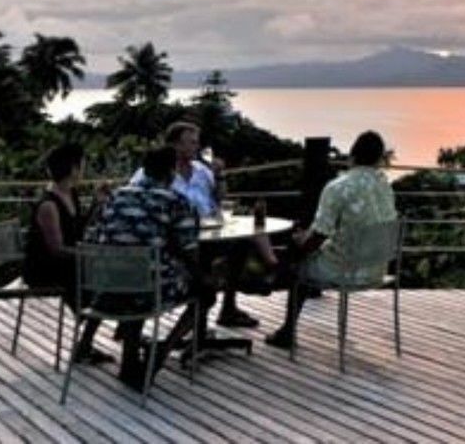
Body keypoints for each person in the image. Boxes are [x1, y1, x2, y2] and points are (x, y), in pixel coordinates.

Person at [84, 147, 210, 388]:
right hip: (146, 291)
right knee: (205, 293)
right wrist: (202, 275)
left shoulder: (116, 196)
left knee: (136, 275)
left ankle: (129, 363)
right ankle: (163, 351)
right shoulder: (174, 201)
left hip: (102, 288)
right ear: (172, 172)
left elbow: (95, 235)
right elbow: (190, 251)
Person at [130, 119, 275, 328]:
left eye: (196, 142)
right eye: (190, 143)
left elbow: (218, 200)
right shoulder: (153, 172)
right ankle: (202, 312)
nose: (196, 147)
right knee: (202, 274)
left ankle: (229, 307)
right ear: (174, 145)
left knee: (242, 242)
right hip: (176, 240)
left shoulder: (201, 170)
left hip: (208, 231)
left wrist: (220, 176)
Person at [266, 130, 397, 350]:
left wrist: (300, 241)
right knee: (305, 253)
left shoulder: (338, 187)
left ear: (352, 155)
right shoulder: (385, 186)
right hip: (377, 269)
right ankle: (274, 278)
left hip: (345, 270)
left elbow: (317, 237)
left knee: (298, 260)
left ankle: (286, 330)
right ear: (379, 159)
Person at [24, 142, 110, 365]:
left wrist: (96, 204)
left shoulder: (70, 193)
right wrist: (89, 256)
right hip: (46, 269)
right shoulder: (49, 205)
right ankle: (85, 341)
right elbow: (57, 249)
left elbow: (78, 229)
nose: (84, 170)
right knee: (104, 283)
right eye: (81, 165)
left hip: (66, 264)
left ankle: (85, 341)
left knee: (107, 281)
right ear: (72, 168)